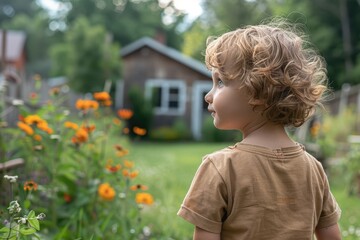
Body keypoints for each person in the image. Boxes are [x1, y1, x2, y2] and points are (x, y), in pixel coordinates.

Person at [177, 20, 342, 240]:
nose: (208, 95)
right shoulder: (313, 169)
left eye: (221, 82)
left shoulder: (220, 168)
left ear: (258, 89)